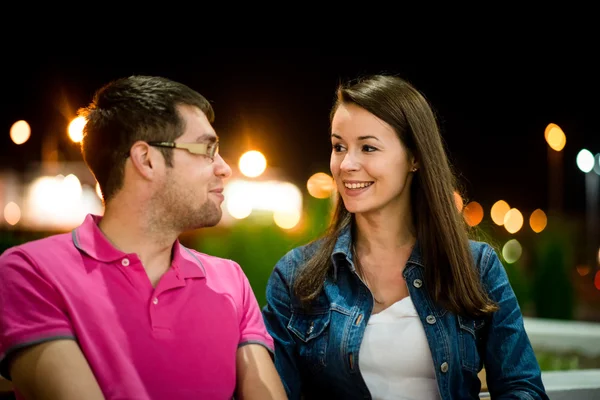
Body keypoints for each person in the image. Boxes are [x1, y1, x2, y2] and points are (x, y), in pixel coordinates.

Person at [262, 74, 549, 399]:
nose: (346, 164)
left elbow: (522, 388)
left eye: (368, 147)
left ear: (414, 157)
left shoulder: (476, 267)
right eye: (338, 146)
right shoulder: (297, 276)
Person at [0, 75, 287, 400]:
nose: (224, 168)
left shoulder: (230, 280)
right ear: (146, 159)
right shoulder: (32, 271)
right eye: (208, 149)